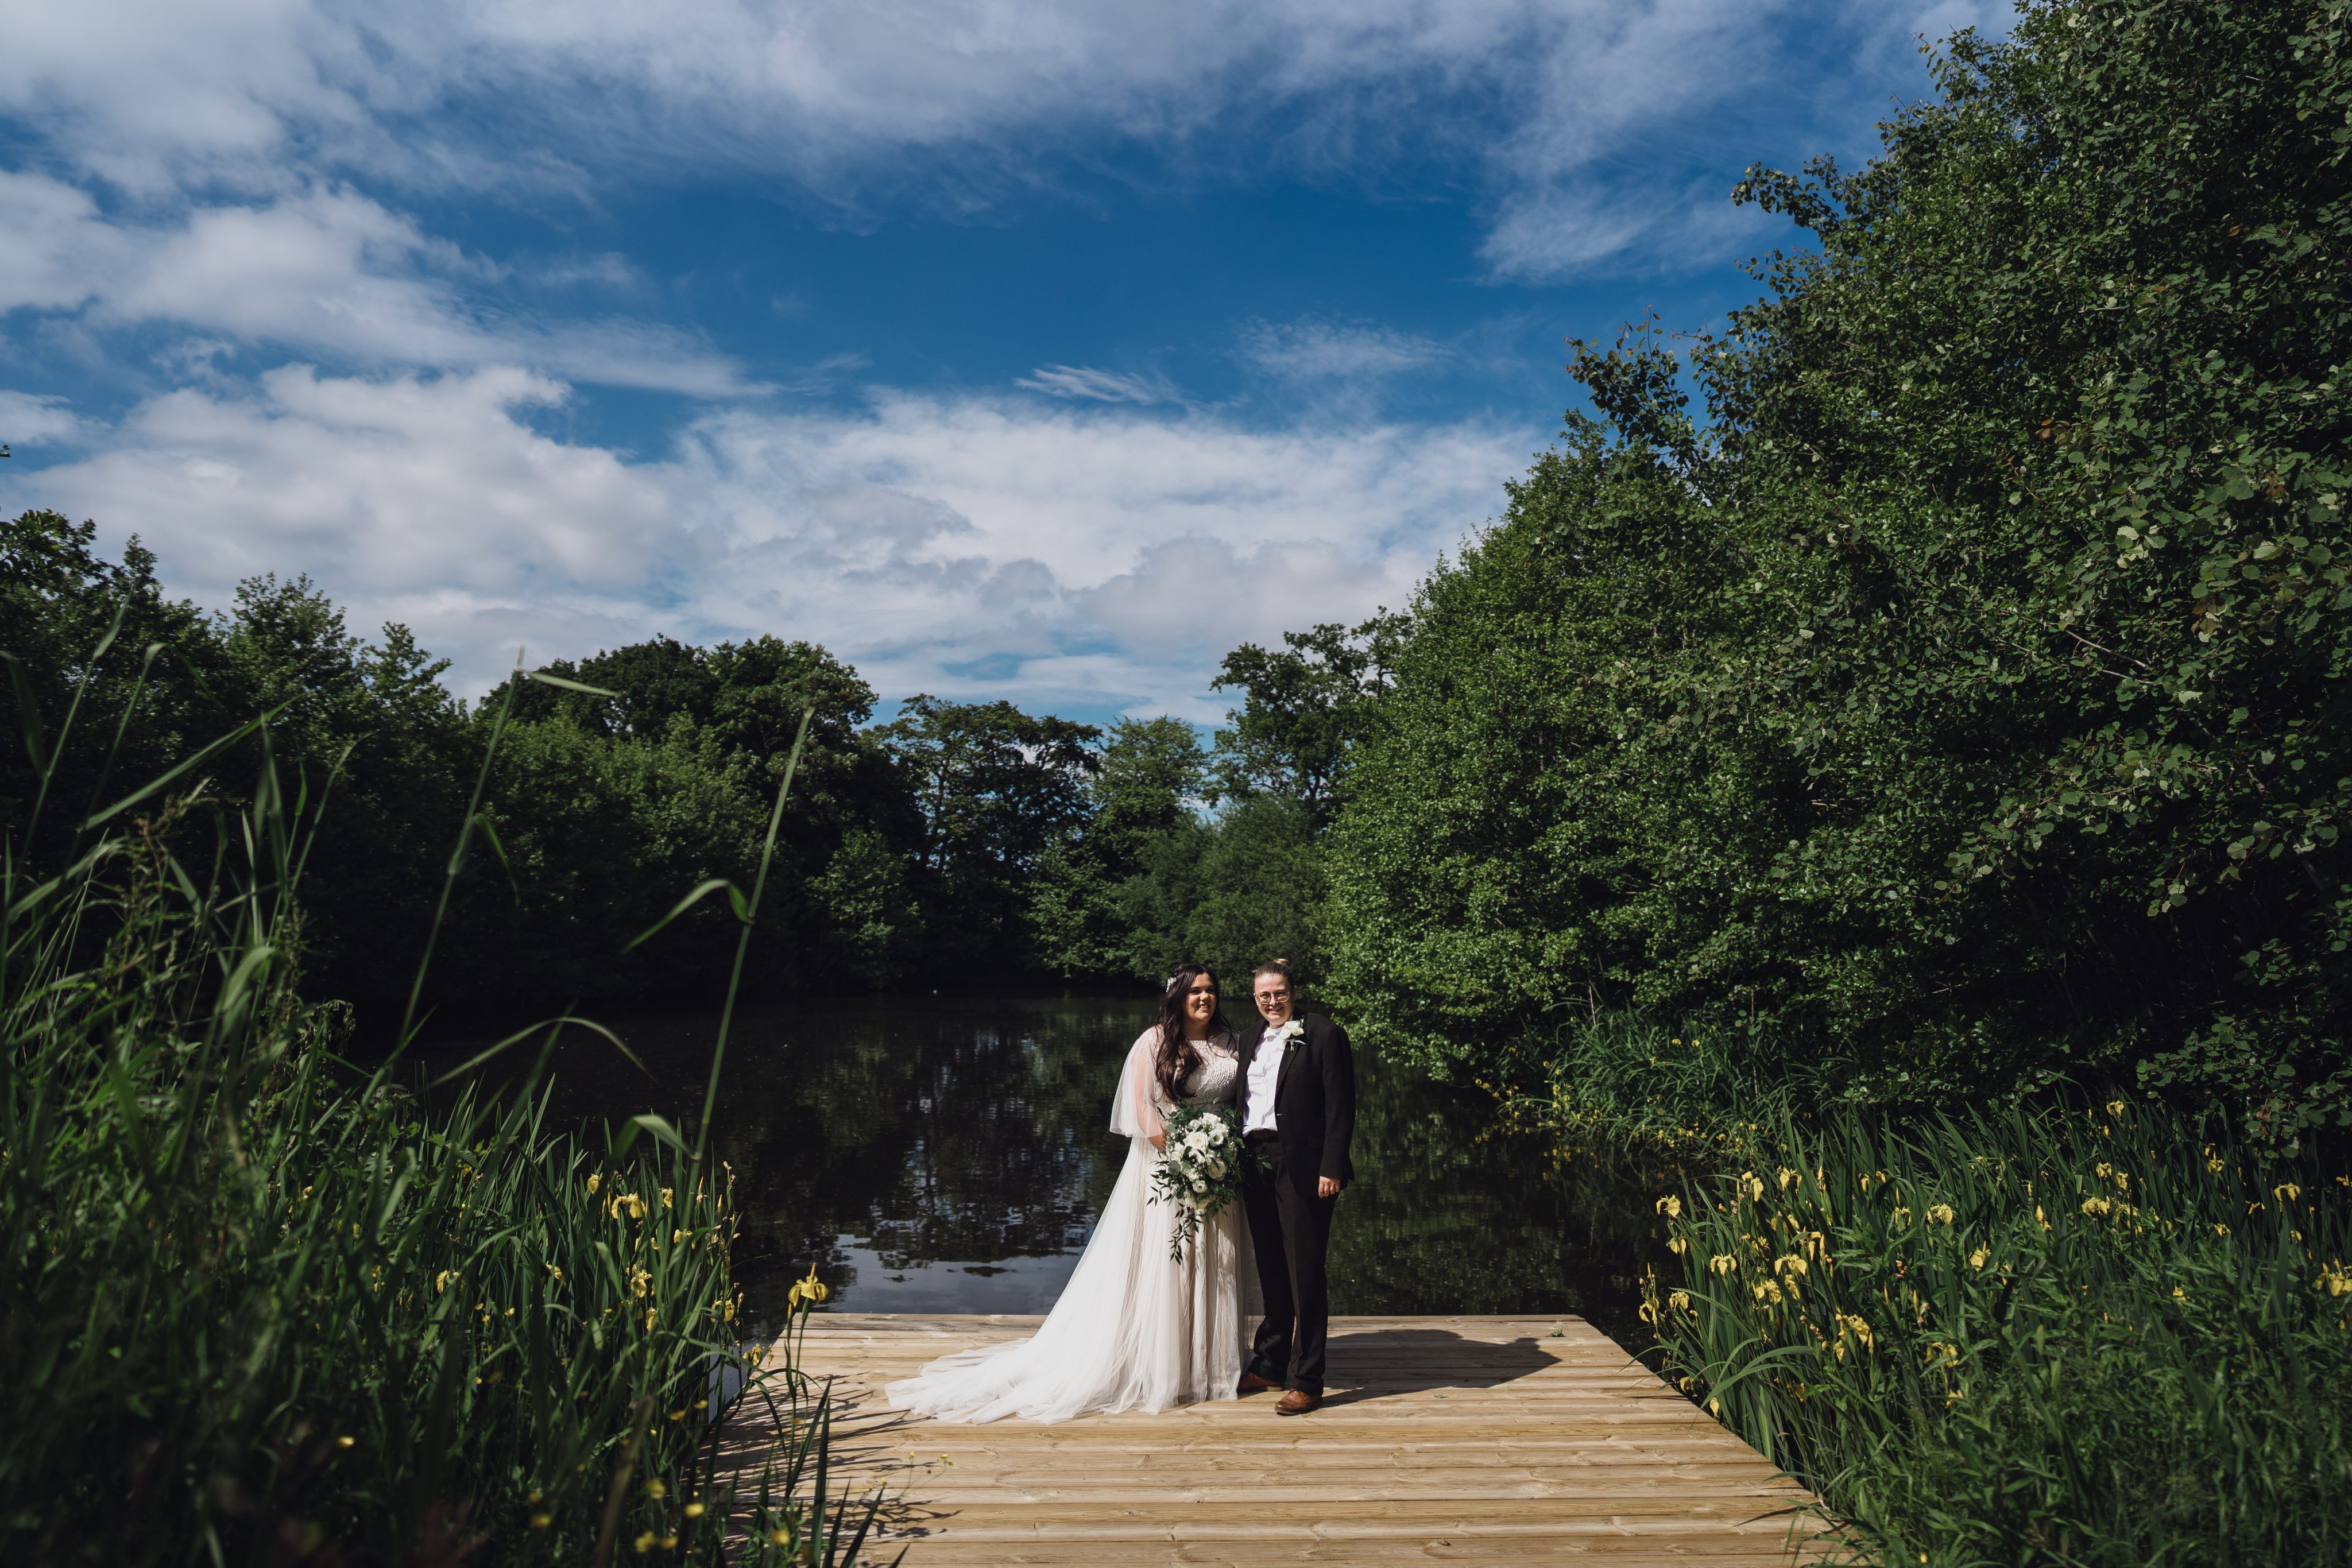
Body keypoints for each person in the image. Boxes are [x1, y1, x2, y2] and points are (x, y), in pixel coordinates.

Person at [884, 963, 1251, 1423]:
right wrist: (1185, 1157)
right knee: (1165, 1260)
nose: (1205, 997)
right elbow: (1142, 1107)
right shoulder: (1153, 1042)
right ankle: (1161, 1362)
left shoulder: (1233, 1041)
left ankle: (1209, 1362)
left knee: (1213, 1261)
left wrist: (1220, 1155)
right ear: (1177, 996)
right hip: (1166, 1168)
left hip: (1218, 1167)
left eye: (1211, 990)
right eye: (1195, 990)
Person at [1233, 958, 1355, 1415]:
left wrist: (1332, 1165)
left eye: (1279, 992)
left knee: (1305, 1270)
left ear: (1294, 992)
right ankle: (1271, 1361)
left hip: (1304, 1165)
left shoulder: (1323, 1034)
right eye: (1264, 995)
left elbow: (1341, 1106)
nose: (1272, 1001)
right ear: (1255, 998)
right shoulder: (1249, 1038)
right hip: (1255, 1162)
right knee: (1271, 1266)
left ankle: (1309, 1379)